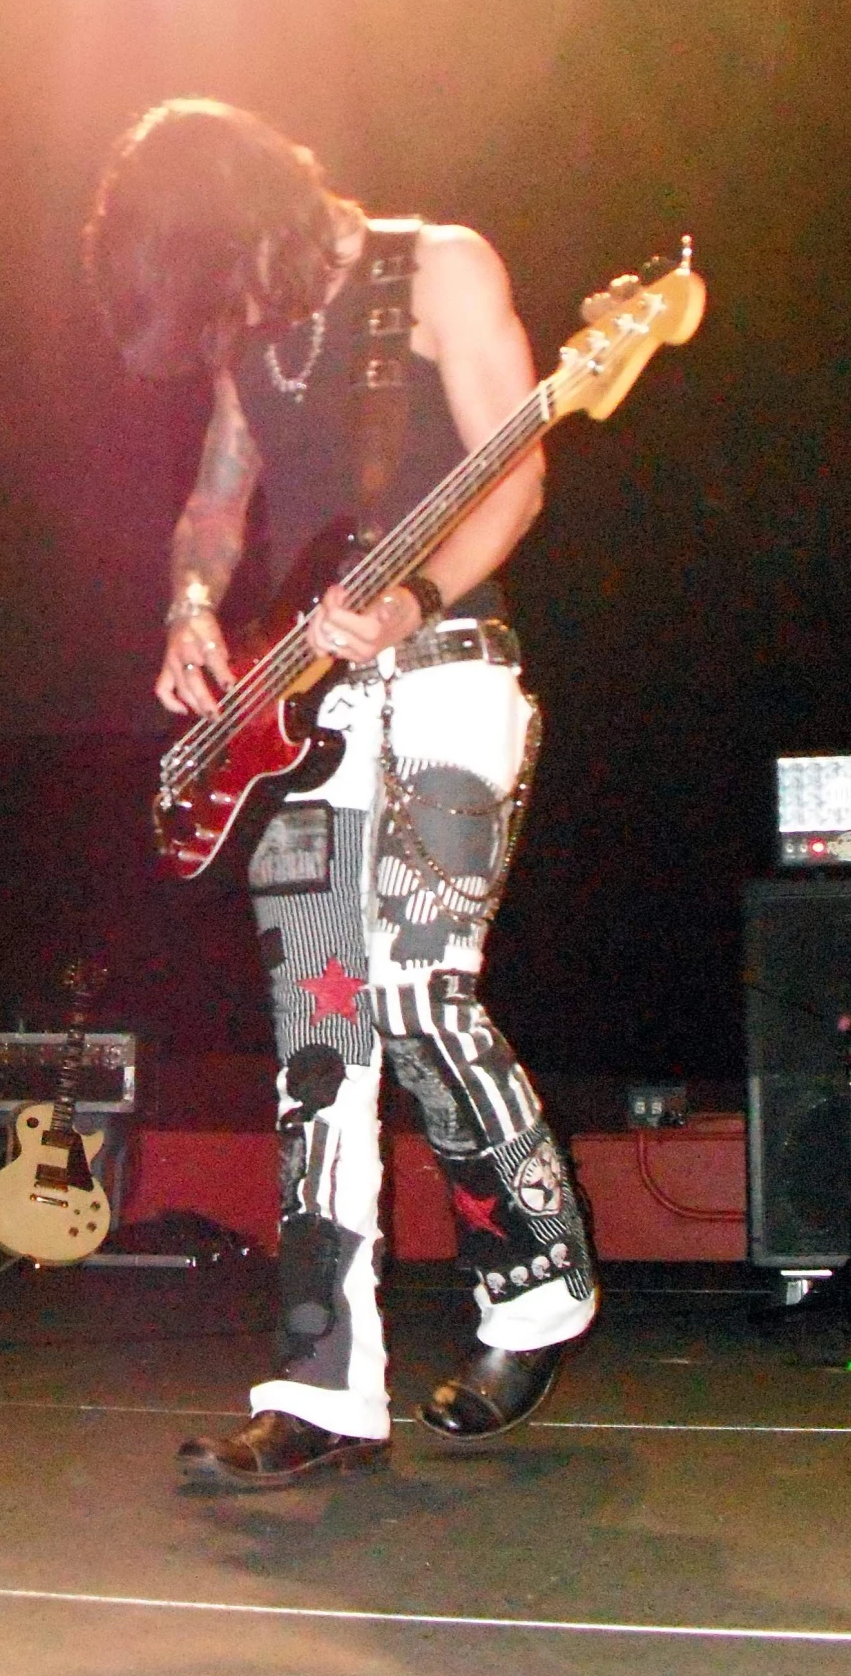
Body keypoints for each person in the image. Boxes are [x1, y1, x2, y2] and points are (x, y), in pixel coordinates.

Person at [85, 98, 596, 1489]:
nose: (221, 323)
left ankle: (536, 1280)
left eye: (221, 285)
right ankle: (322, 1383)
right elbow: (216, 495)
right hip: (309, 714)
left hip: (445, 668)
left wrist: (417, 588)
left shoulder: (437, 266)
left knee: (419, 991)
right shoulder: (249, 331)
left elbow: (520, 475)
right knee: (321, 1044)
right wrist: (191, 600)